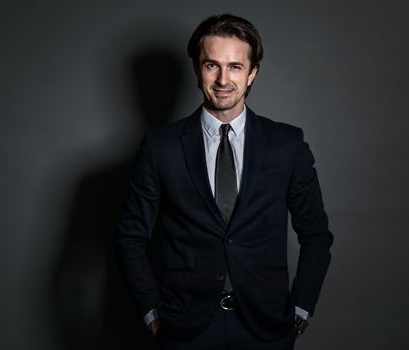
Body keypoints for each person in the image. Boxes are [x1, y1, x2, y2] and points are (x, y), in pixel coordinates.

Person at [115, 13, 333, 349]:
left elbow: (316, 234)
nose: (222, 79)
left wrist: (301, 307)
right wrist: (150, 312)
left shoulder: (287, 145)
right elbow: (130, 236)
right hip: (184, 327)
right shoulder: (161, 147)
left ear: (252, 73)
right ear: (196, 70)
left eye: (234, 66)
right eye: (211, 65)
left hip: (266, 326)